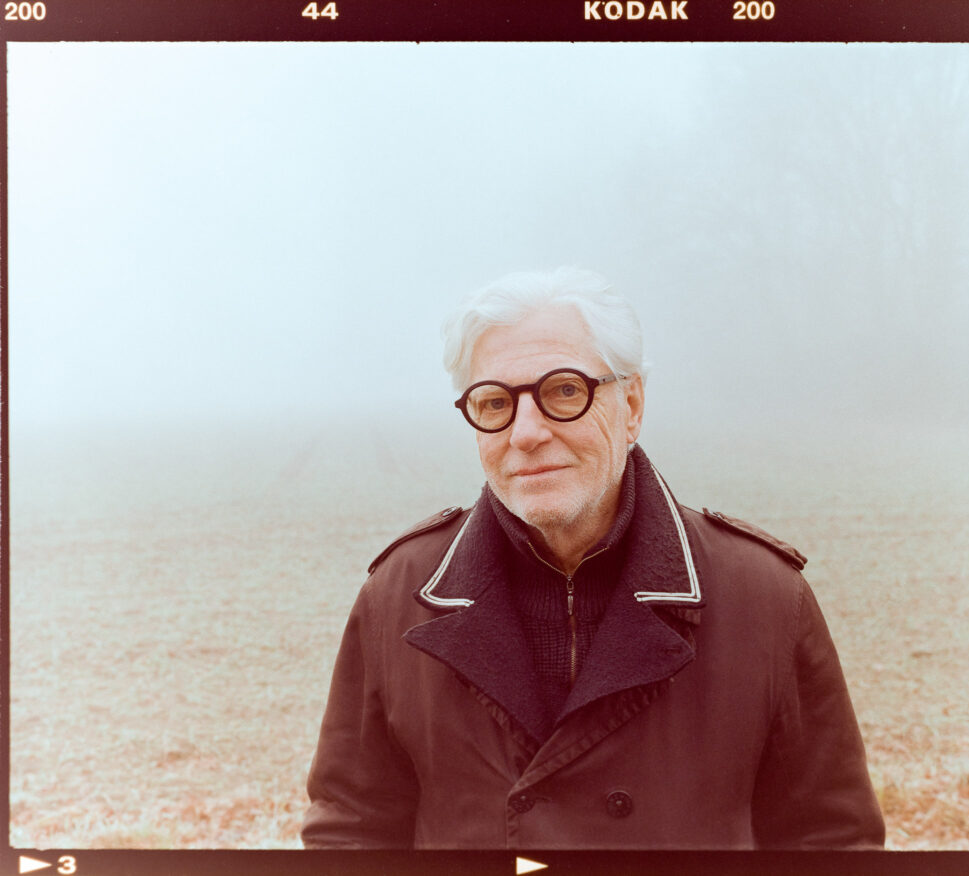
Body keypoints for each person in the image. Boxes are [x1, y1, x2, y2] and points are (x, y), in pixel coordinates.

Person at [301, 268, 885, 850]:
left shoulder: (764, 598)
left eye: (563, 391)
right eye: (494, 401)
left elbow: (831, 843)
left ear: (631, 404)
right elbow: (350, 832)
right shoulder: (400, 597)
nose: (525, 432)